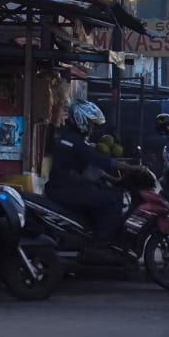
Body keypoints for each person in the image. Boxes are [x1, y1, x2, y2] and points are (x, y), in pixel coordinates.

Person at [46, 100, 124, 242]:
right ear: (81, 120)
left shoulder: (74, 139)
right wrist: (133, 167)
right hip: (63, 190)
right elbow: (96, 159)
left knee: (109, 192)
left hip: (68, 187)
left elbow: (85, 169)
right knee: (111, 200)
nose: (92, 129)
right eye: (91, 124)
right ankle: (101, 243)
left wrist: (113, 180)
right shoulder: (71, 141)